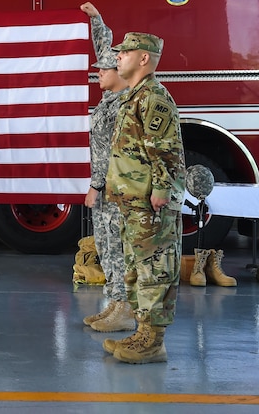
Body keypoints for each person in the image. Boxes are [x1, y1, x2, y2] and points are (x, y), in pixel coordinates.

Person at [102, 32, 186, 364]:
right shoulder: (134, 97)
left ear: (144, 59)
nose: (118, 57)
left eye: (124, 53)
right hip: (133, 201)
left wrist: (163, 191)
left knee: (156, 270)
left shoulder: (154, 98)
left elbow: (166, 151)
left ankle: (154, 341)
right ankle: (141, 333)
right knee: (138, 270)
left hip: (150, 202)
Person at [79, 2, 135, 333]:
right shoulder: (109, 100)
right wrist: (96, 19)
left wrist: (96, 185)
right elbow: (105, 49)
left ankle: (124, 307)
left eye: (103, 69)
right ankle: (113, 302)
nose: (97, 72)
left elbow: (113, 153)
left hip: (114, 190)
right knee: (104, 244)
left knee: (117, 246)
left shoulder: (123, 107)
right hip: (104, 191)